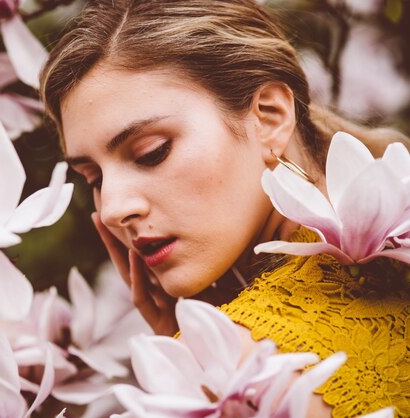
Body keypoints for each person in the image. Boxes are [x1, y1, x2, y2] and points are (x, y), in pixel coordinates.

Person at [39, 0, 410, 416]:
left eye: (151, 152)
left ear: (269, 117)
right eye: (94, 178)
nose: (111, 210)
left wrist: (199, 359)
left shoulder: (240, 375)